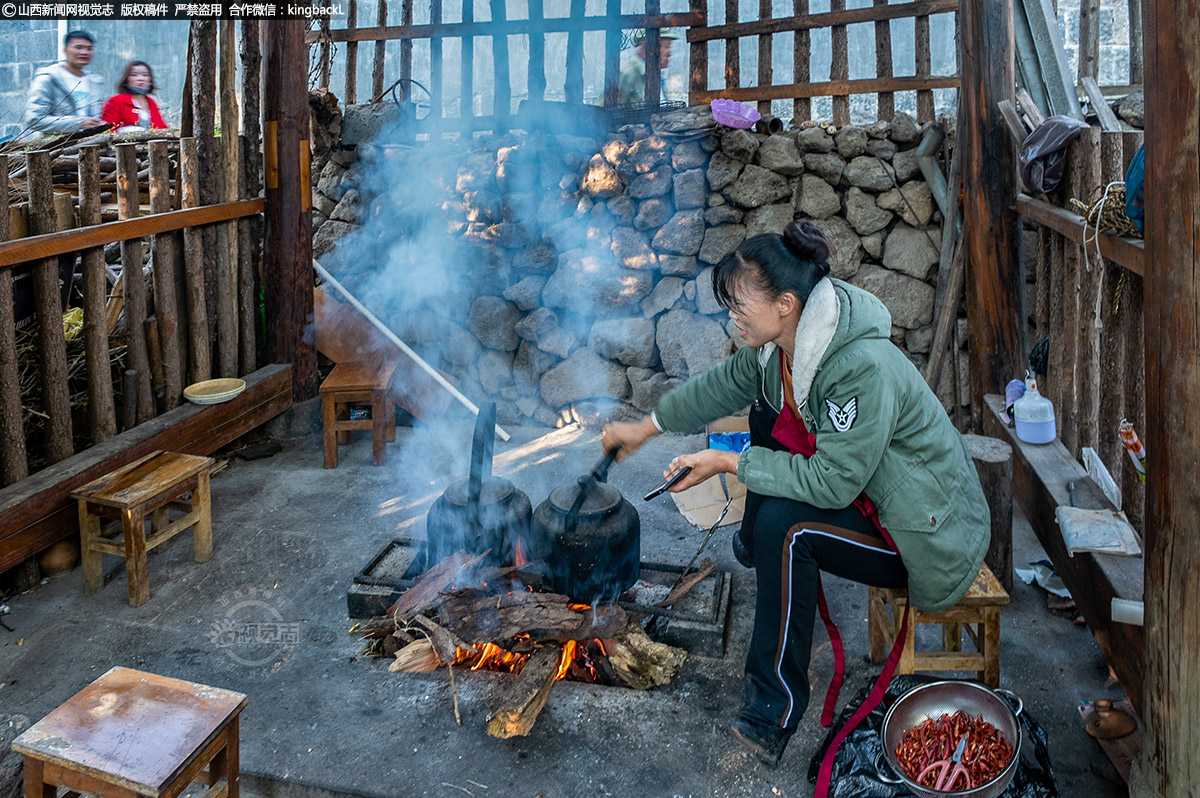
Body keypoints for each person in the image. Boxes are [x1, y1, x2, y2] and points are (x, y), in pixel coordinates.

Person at [602, 220, 990, 768]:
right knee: (765, 413)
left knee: (788, 528)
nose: (731, 318)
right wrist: (643, 429)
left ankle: (773, 711)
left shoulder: (858, 367)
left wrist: (725, 463)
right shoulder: (781, 348)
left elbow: (834, 482)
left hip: (924, 534)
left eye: (739, 306)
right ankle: (759, 545)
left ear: (786, 303)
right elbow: (718, 386)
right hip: (876, 498)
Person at [22, 30, 107, 135]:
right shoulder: (48, 78)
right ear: (66, 50)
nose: (84, 52)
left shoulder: (95, 81)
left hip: (89, 145)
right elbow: (34, 120)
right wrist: (78, 123)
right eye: (78, 47)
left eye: (89, 49)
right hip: (56, 147)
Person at [101, 61, 169, 131]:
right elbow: (107, 129)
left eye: (145, 75)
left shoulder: (151, 103)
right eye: (134, 75)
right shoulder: (116, 101)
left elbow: (162, 129)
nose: (141, 78)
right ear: (126, 79)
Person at [618, 27, 678, 106]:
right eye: (666, 47)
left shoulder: (658, 76)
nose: (669, 53)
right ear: (647, 47)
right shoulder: (628, 74)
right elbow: (602, 112)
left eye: (669, 47)